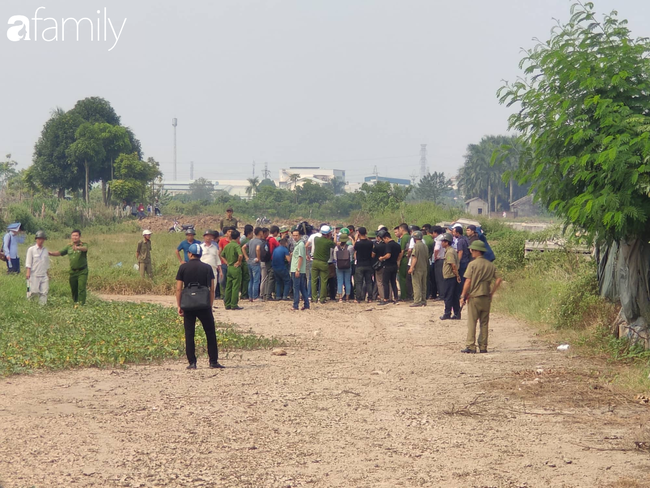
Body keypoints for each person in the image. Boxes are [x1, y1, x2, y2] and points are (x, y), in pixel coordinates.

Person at [175, 243, 223, 369]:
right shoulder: (207, 268)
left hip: (188, 304)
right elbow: (212, 289)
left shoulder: (183, 268)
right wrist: (210, 304)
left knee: (189, 333)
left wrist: (179, 305)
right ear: (200, 255)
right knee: (210, 332)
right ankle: (213, 361)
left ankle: (192, 362)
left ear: (189, 254)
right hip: (203, 304)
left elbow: (179, 289)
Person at [460, 240, 503, 354]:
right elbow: (498, 279)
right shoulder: (490, 264)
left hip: (474, 296)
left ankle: (471, 346)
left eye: (472, 250)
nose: (471, 252)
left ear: (477, 251)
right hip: (486, 297)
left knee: (472, 322)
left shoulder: (472, 264)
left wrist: (463, 295)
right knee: (484, 323)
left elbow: (468, 281)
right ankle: (483, 346)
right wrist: (492, 292)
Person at [49, 229, 89, 305]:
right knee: (74, 289)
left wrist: (78, 248)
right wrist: (51, 253)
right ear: (71, 236)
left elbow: (85, 249)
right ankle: (75, 302)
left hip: (82, 271)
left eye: (76, 235)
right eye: (73, 235)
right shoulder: (69, 246)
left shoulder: (83, 245)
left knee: (81, 288)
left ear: (80, 236)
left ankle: (81, 305)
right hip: (73, 272)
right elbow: (60, 252)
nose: (75, 237)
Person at [311, 225, 335, 304]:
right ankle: (322, 299)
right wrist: (331, 236)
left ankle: (314, 298)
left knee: (314, 280)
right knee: (323, 281)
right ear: (328, 234)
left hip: (315, 262)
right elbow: (334, 244)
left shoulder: (316, 239)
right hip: (324, 263)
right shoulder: (328, 242)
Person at [440, 233, 461, 321]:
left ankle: (447, 313)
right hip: (451, 276)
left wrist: (457, 275)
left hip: (450, 277)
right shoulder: (450, 250)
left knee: (448, 295)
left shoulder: (449, 252)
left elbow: (453, 265)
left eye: (443, 241)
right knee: (454, 296)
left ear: (447, 242)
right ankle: (456, 313)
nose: (441, 243)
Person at [25, 230, 50, 305]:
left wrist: (48, 273)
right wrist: (28, 272)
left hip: (43, 274)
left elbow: (46, 263)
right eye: (39, 239)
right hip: (34, 274)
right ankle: (30, 305)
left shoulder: (45, 250)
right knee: (32, 291)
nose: (41, 240)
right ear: (36, 239)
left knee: (44, 292)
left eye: (42, 239)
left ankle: (42, 306)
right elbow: (28, 262)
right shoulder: (31, 250)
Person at [222, 229, 244, 310]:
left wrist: (227, 262)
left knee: (228, 286)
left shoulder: (227, 245)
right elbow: (240, 255)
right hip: (235, 268)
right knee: (235, 286)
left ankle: (227, 304)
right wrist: (238, 262)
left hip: (229, 267)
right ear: (238, 237)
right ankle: (234, 304)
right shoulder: (236, 245)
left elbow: (222, 255)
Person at [377, 231, 401, 305]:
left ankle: (386, 299)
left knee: (385, 282)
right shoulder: (397, 245)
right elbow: (400, 254)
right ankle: (396, 297)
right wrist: (397, 262)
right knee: (393, 282)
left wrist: (382, 258)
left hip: (388, 265)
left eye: (384, 239)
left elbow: (388, 255)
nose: (384, 241)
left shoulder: (389, 245)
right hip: (394, 265)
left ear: (386, 238)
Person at [408, 231, 429, 307]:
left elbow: (414, 257)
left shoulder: (416, 246)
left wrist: (411, 267)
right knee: (423, 285)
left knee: (416, 284)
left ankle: (417, 301)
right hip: (424, 267)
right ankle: (423, 300)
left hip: (417, 268)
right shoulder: (425, 246)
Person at [290, 229, 310, 311]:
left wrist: (297, 269)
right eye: (294, 235)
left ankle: (295, 305)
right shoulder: (297, 244)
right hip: (296, 269)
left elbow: (301, 257)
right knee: (302, 287)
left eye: (296, 235)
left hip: (297, 269)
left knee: (296, 288)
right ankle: (306, 304)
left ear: (300, 236)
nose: (295, 237)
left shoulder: (301, 245)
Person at [353, 227, 374, 303]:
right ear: (366, 233)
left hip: (360, 264)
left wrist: (355, 239)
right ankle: (370, 298)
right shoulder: (370, 243)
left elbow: (354, 248)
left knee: (359, 282)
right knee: (369, 282)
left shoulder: (358, 244)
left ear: (358, 233)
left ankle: (358, 298)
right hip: (368, 264)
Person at [200, 230, 222, 300]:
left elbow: (217, 260)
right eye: (207, 236)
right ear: (204, 237)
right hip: (202, 270)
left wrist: (220, 271)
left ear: (212, 237)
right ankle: (203, 304)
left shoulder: (215, 247)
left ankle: (211, 305)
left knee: (213, 288)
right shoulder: (200, 247)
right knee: (203, 288)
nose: (208, 238)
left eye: (210, 236)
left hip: (213, 270)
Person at [246, 227, 264, 301]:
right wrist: (258, 258)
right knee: (256, 280)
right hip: (255, 262)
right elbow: (257, 249)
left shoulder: (251, 241)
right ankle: (255, 296)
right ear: (260, 233)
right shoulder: (259, 241)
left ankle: (250, 296)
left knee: (251, 280)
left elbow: (243, 247)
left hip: (249, 261)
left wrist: (246, 257)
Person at [335, 233, 353, 302]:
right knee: (347, 281)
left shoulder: (336, 248)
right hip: (348, 266)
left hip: (339, 266)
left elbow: (335, 258)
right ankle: (347, 298)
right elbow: (351, 257)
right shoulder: (350, 247)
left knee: (339, 281)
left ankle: (340, 298)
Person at [263, 226, 280, 300]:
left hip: (266, 260)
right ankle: (268, 295)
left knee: (267, 277)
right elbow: (279, 246)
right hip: (271, 260)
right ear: (276, 232)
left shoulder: (266, 239)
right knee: (271, 277)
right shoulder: (272, 239)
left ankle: (265, 293)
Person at [397, 223, 413, 300]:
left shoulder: (404, 238)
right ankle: (410, 294)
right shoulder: (411, 237)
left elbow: (402, 251)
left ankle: (404, 295)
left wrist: (398, 261)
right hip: (410, 259)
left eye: (399, 229)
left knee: (402, 278)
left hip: (404, 258)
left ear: (402, 229)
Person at [239, 225, 253, 300]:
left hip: (243, 261)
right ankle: (244, 294)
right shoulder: (247, 241)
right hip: (245, 262)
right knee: (246, 278)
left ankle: (243, 293)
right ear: (249, 233)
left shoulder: (242, 240)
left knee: (244, 278)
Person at [432, 226, 446, 301]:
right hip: (444, 259)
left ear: (435, 232)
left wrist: (435, 256)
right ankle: (443, 293)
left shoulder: (438, 239)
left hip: (439, 259)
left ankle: (441, 295)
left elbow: (436, 249)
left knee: (439, 278)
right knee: (443, 277)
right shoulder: (445, 237)